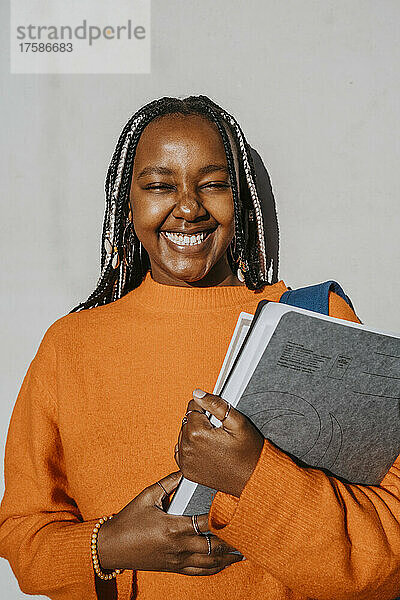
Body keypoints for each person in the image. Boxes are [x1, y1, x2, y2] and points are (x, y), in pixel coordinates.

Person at [0, 94, 399, 600]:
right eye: (160, 186)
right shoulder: (69, 346)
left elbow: (389, 551)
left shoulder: (316, 322)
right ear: (129, 207)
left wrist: (253, 476)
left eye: (213, 185)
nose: (188, 208)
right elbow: (24, 538)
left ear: (242, 199)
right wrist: (111, 548)